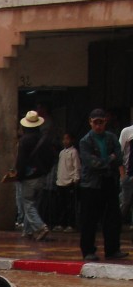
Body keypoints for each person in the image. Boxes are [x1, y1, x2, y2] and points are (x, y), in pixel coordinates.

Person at [78, 108, 127, 261]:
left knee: (113, 217)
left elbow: (119, 158)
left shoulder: (111, 138)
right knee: (89, 220)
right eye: (95, 123)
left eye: (101, 122)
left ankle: (112, 249)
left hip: (109, 182)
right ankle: (88, 251)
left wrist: (105, 161)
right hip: (91, 185)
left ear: (105, 122)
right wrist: (108, 160)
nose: (98, 126)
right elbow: (92, 163)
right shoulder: (85, 141)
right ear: (90, 123)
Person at [14, 110, 53, 242]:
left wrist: (18, 175)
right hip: (41, 176)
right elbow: (51, 158)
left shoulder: (24, 141)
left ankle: (40, 227)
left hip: (28, 177)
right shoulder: (44, 139)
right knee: (33, 203)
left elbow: (21, 161)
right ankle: (27, 230)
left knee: (28, 203)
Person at [53, 132, 80, 233]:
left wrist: (75, 179)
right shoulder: (62, 153)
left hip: (69, 182)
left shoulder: (74, 152)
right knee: (61, 205)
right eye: (64, 139)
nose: (65, 141)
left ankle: (70, 224)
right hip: (60, 182)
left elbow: (76, 167)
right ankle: (61, 223)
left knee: (70, 205)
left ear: (72, 140)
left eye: (67, 139)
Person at [119, 121, 133, 229]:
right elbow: (119, 153)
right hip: (128, 173)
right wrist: (122, 174)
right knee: (125, 203)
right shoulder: (127, 131)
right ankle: (115, 224)